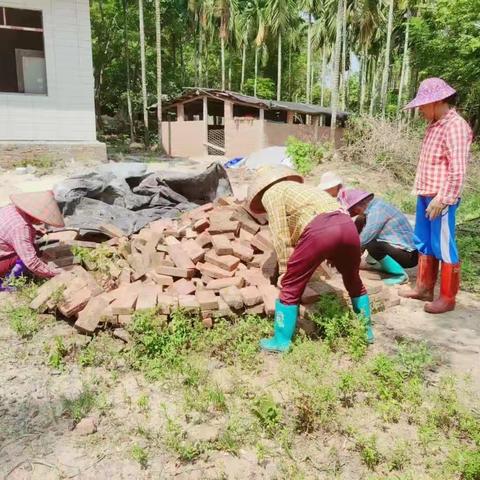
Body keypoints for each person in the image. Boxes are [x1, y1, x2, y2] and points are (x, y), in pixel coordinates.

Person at [247, 166, 374, 352]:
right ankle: (366, 332)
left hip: (321, 229)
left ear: (261, 187)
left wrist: (284, 268)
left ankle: (281, 342)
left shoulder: (271, 194)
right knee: (353, 280)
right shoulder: (303, 189)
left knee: (290, 284)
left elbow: (279, 231)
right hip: (347, 225)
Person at [399, 78, 473, 314]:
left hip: (441, 199)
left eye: (422, 105)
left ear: (438, 101)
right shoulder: (434, 124)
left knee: (443, 245)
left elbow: (457, 169)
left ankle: (448, 298)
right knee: (424, 241)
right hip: (425, 193)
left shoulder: (456, 126)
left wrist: (443, 199)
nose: (420, 110)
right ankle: (423, 287)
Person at [344, 189, 418, 285]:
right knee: (360, 221)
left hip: (409, 256)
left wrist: (348, 254)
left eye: (355, 210)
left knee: (372, 245)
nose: (356, 212)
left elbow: (366, 236)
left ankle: (400, 275)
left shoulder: (377, 210)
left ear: (359, 205)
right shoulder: (375, 206)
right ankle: (374, 263)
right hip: (399, 249)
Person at [0, 191, 65, 286]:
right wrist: (55, 273)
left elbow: (8, 232)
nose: (41, 221)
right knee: (28, 253)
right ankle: (6, 283)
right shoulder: (20, 227)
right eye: (41, 218)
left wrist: (34, 230)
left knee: (30, 245)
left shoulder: (10, 208)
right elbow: (31, 262)